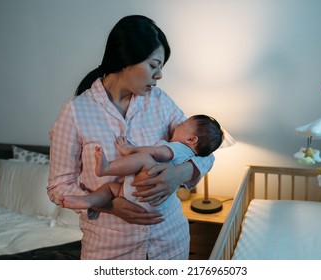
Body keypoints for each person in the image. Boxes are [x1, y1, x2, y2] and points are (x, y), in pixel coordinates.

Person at [47, 15, 215, 260]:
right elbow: (58, 187)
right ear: (126, 61)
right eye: (153, 65)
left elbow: (203, 151)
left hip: (170, 242)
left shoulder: (161, 103)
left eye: (161, 68)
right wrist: (110, 205)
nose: (159, 76)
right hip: (110, 250)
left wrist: (179, 174)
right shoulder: (76, 111)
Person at [60, 114, 224, 212]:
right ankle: (89, 201)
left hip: (146, 188)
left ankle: (106, 168)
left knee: (144, 159)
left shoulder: (179, 148)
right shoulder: (186, 152)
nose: (176, 125)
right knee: (110, 189)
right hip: (148, 200)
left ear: (191, 139)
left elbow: (157, 152)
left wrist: (130, 149)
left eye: (181, 125)